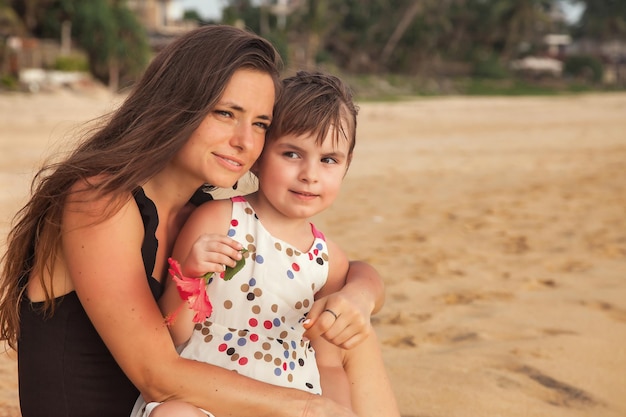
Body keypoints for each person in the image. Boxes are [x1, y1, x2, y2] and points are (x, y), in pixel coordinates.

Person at [0, 26, 386, 417]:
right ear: (176, 105)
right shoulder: (99, 200)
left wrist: (361, 296)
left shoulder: (201, 213)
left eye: (260, 124)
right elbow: (158, 376)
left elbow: (345, 270)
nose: (244, 141)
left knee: (348, 328)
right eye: (225, 113)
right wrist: (312, 409)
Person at [133, 71, 400, 417]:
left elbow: (329, 363)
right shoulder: (218, 220)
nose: (310, 174)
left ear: (346, 166)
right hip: (205, 398)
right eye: (291, 154)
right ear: (258, 157)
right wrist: (191, 277)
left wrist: (338, 409)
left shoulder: (328, 261)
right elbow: (173, 333)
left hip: (288, 403)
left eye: (329, 160)